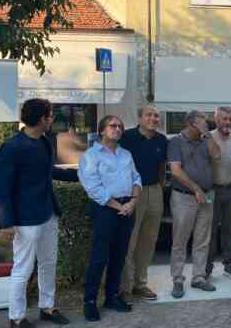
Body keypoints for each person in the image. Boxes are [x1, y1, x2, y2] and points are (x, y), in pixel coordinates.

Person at [0, 98, 75, 328]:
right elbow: (1, 186)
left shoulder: (45, 141)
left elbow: (48, 171)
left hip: (48, 212)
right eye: (50, 115)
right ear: (42, 119)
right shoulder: (12, 147)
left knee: (49, 262)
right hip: (25, 219)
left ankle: (47, 308)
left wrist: (81, 175)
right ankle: (16, 318)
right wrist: (6, 222)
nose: (53, 118)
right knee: (23, 268)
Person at [78, 115, 142, 321]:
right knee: (99, 257)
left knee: (119, 255)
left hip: (127, 207)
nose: (117, 129)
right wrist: (118, 206)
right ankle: (89, 301)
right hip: (105, 209)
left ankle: (112, 296)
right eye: (112, 126)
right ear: (102, 130)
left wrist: (132, 202)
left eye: (120, 126)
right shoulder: (91, 155)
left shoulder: (126, 154)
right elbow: (93, 188)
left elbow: (136, 178)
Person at [167, 110, 221, 298]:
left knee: (202, 239)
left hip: (207, 195)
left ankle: (198, 277)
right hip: (184, 197)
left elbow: (217, 156)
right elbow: (175, 170)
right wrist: (195, 188)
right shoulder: (176, 142)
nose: (206, 125)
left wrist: (207, 135)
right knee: (180, 240)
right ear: (191, 124)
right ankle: (177, 280)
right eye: (202, 123)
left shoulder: (206, 139)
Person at [118, 106, 167, 301]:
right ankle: (124, 287)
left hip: (154, 190)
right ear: (139, 118)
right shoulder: (126, 137)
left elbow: (162, 167)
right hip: (131, 192)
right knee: (130, 240)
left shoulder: (162, 140)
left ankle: (141, 284)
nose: (153, 118)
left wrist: (159, 188)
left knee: (148, 240)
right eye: (149, 115)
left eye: (156, 116)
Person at [206, 106, 231, 281]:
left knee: (230, 229)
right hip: (212, 190)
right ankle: (207, 267)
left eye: (229, 119)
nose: (227, 122)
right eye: (223, 119)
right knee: (210, 230)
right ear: (216, 120)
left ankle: (229, 265)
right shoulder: (207, 138)